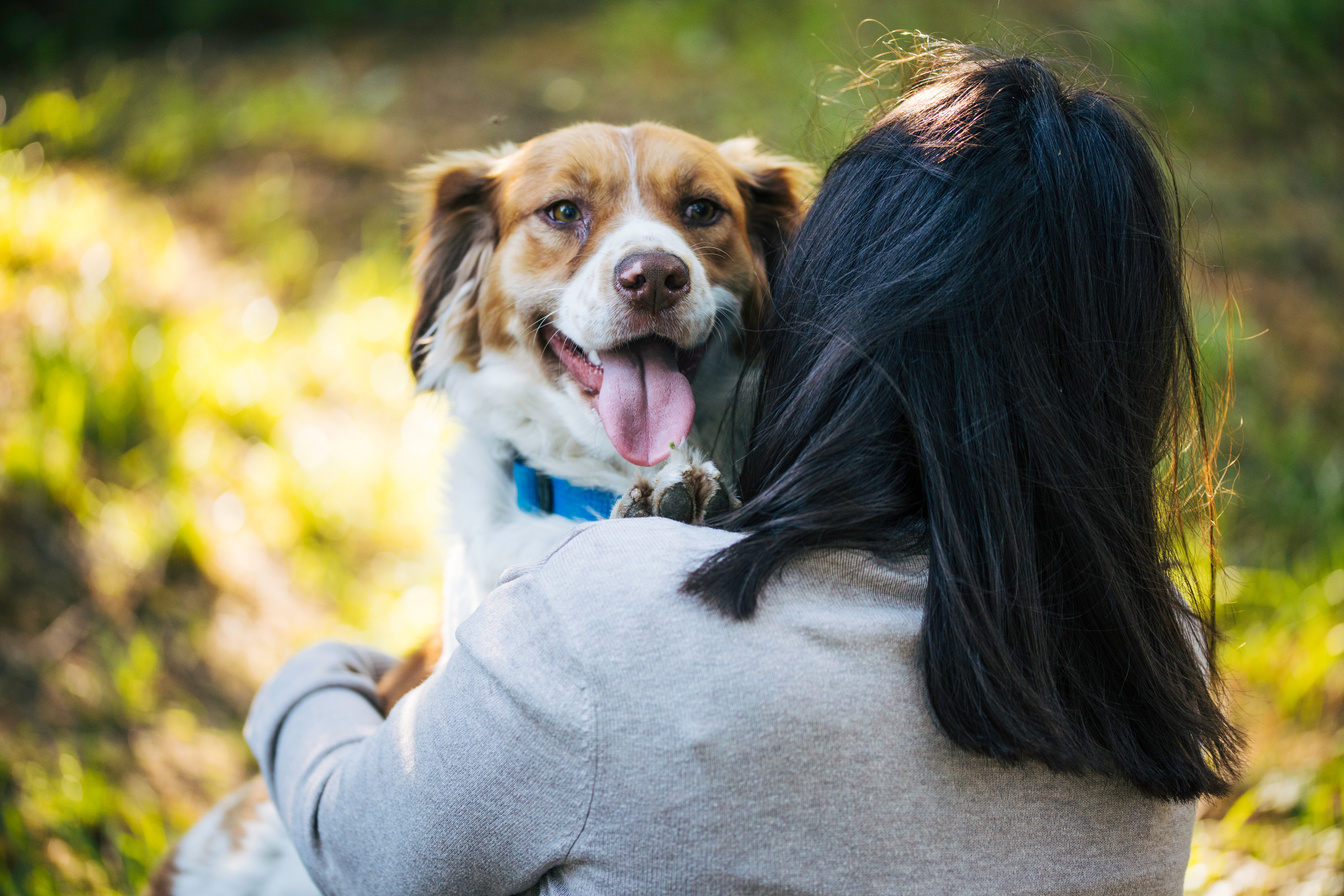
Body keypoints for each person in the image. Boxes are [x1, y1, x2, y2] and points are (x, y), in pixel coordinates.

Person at [244, 44, 1242, 895]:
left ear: (825, 300)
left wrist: (322, 673)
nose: (649, 257)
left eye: (700, 219)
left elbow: (359, 846)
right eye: (566, 213)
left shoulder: (599, 622)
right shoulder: (1158, 656)